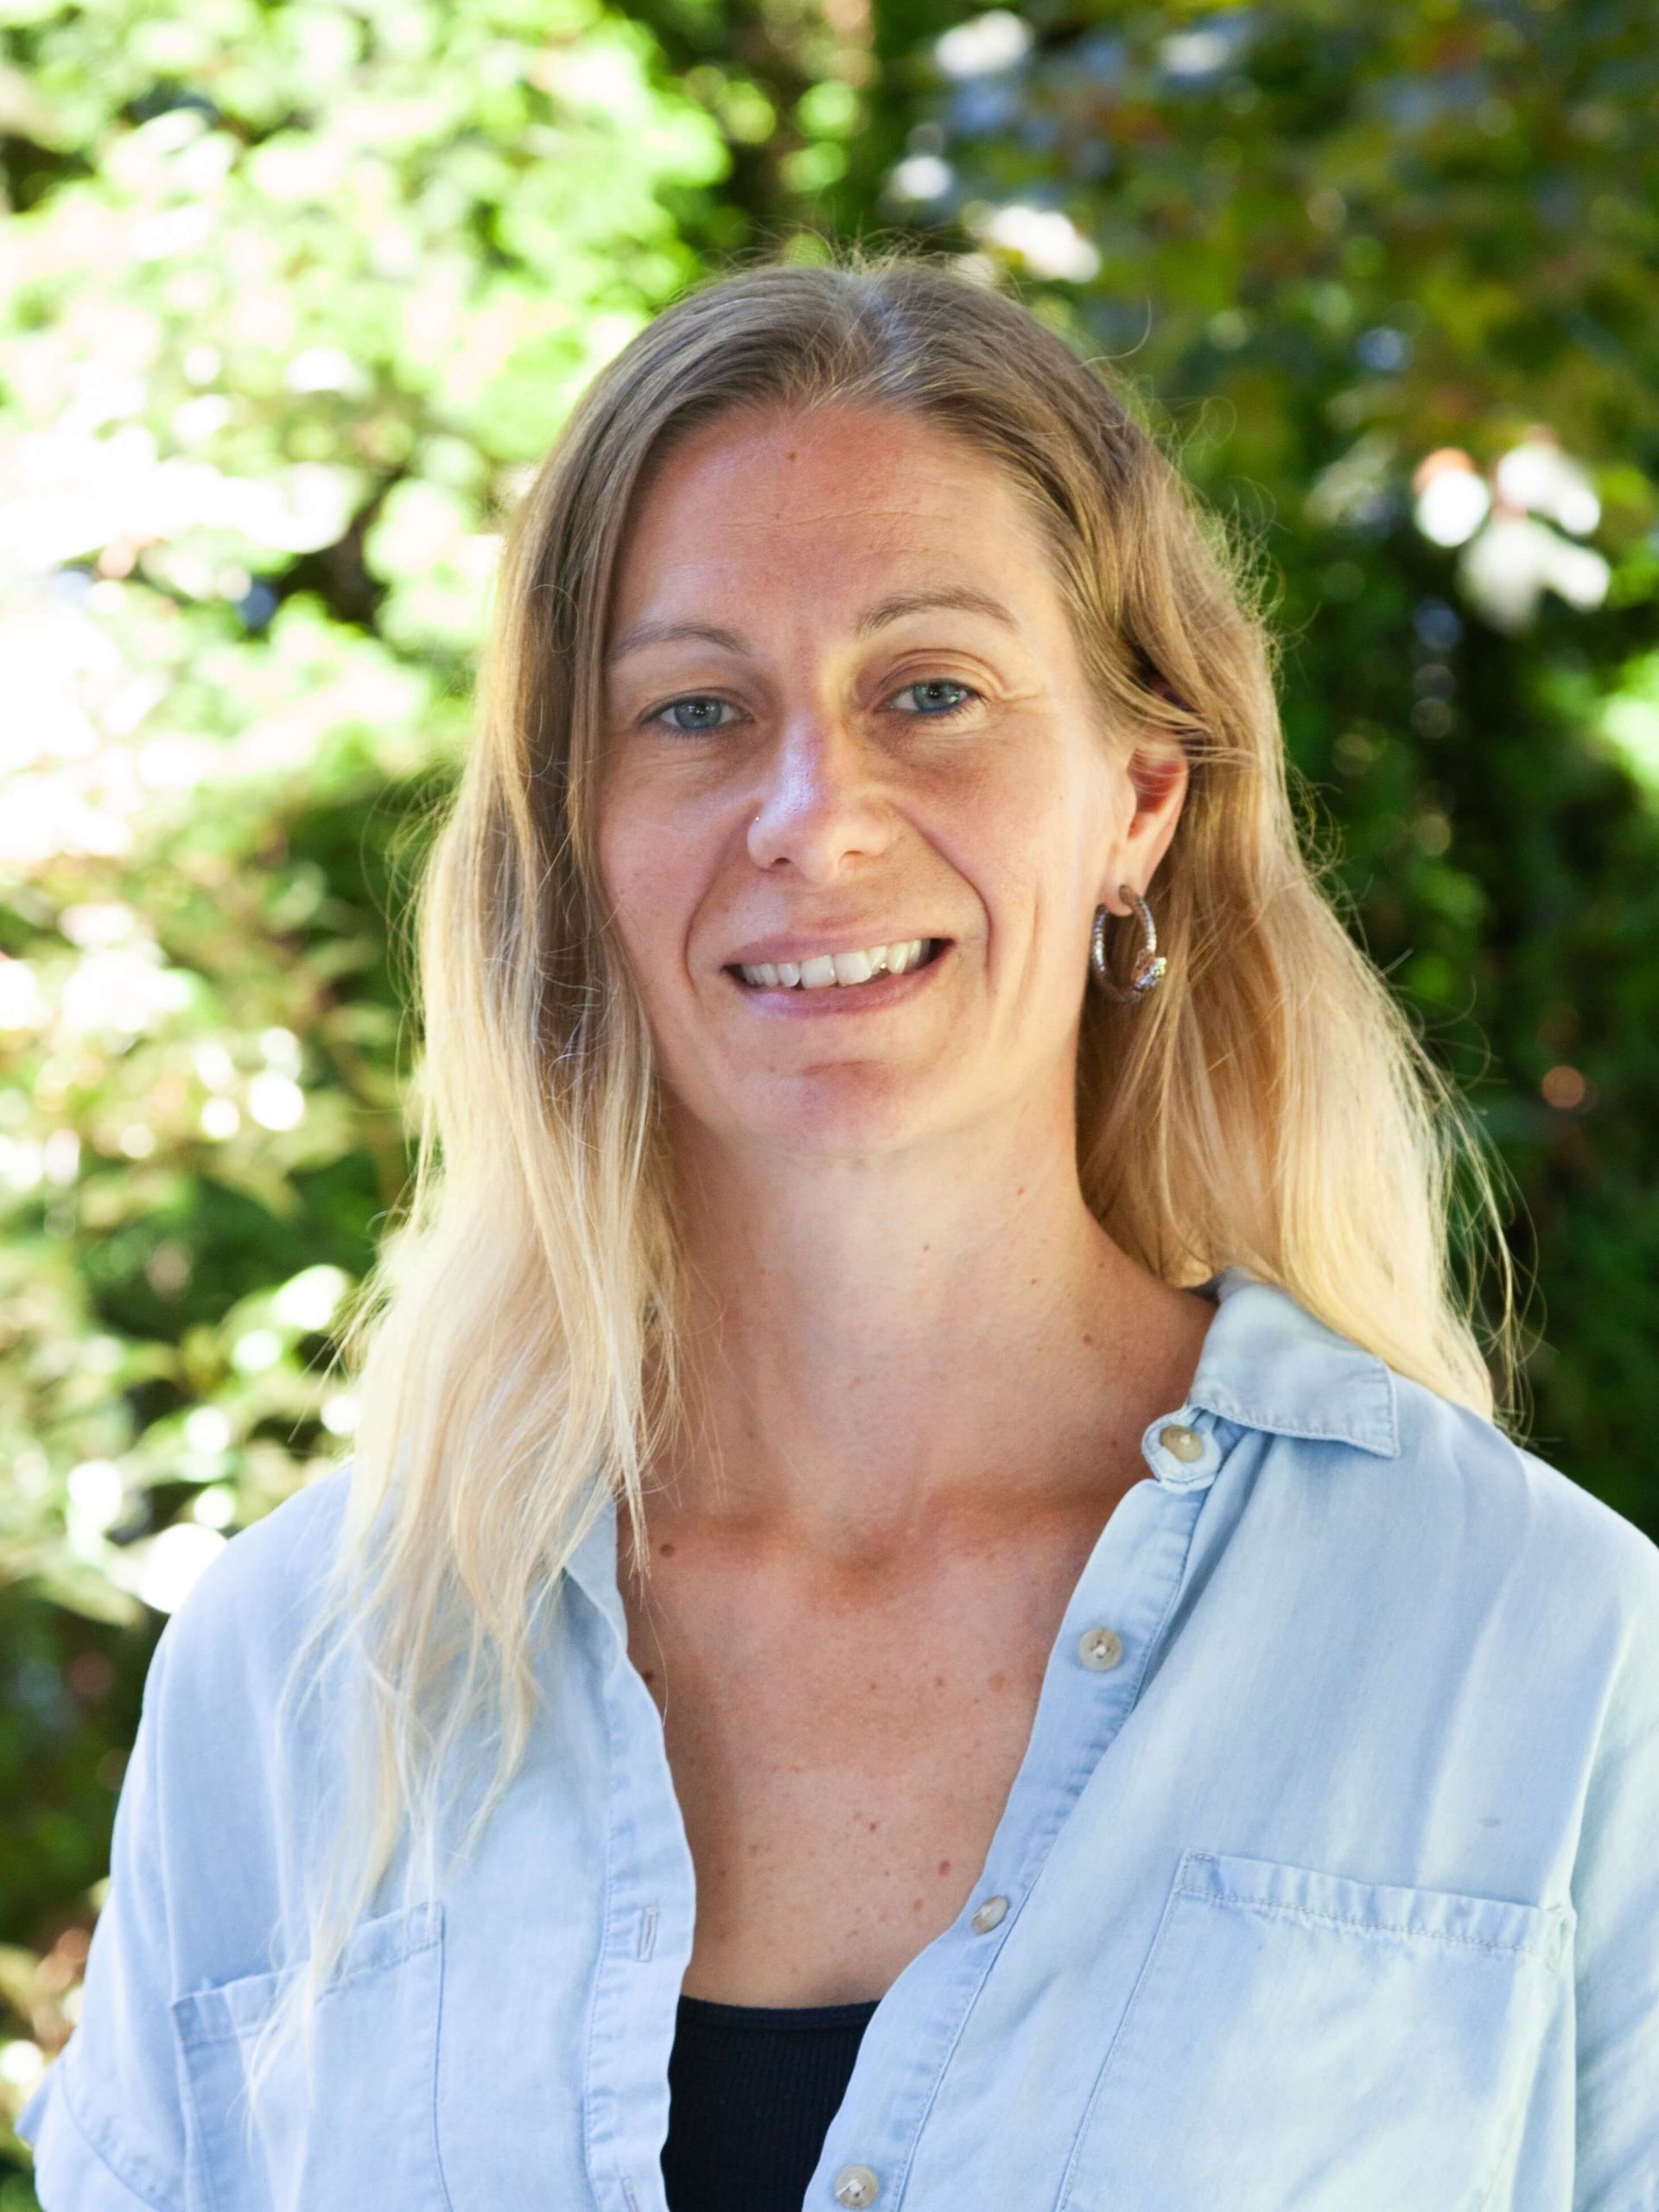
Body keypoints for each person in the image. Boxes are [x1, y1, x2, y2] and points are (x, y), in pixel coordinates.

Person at [18, 245, 1659, 2212]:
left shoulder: (1540, 1644)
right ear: (576, 838)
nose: (818, 812)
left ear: (1139, 794)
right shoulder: (301, 1672)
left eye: (932, 691)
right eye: (695, 708)